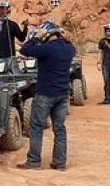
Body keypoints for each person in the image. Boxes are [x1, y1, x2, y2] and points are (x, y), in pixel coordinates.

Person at [17, 21, 75, 171]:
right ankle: (60, 163)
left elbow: (25, 50)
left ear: (47, 34)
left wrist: (36, 37)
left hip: (45, 94)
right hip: (62, 94)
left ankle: (34, 161)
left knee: (36, 127)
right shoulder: (69, 49)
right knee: (60, 129)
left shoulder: (46, 49)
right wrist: (62, 35)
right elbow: (70, 43)